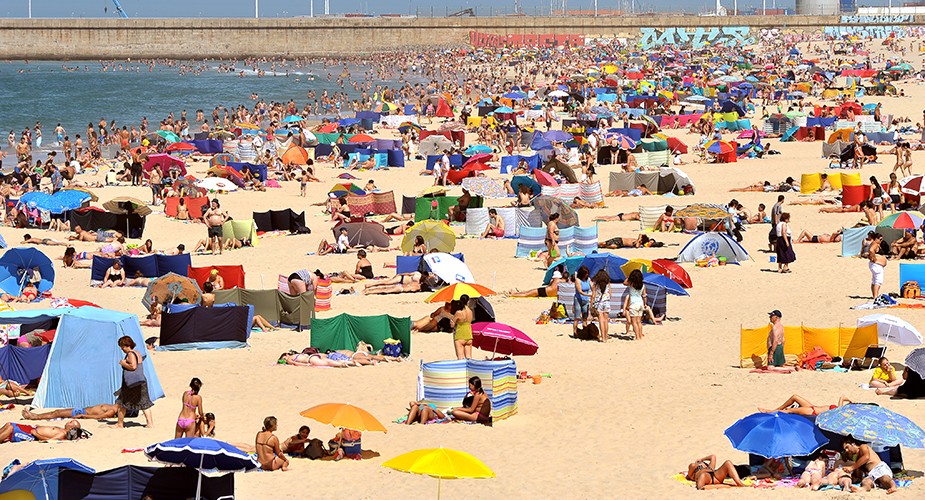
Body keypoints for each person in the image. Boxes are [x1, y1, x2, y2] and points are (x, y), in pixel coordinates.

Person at [114, 335, 154, 428]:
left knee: (123, 403)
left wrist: (123, 363)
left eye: (122, 346)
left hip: (132, 384)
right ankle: (150, 423)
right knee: (144, 403)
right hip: (140, 381)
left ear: (126, 345)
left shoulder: (131, 354)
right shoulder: (137, 353)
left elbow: (133, 366)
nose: (122, 349)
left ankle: (120, 424)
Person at [758, 394, 854, 416]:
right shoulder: (841, 408)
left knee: (789, 411)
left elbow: (842, 397)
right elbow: (843, 397)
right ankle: (776, 409)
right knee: (794, 397)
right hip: (812, 407)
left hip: (813, 412)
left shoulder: (841, 411)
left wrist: (849, 400)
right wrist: (850, 400)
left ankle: (770, 412)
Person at [0, 420, 82, 444]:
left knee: (11, 428)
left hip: (31, 434)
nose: (68, 422)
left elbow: (49, 440)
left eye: (71, 422)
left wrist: (36, 434)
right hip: (33, 428)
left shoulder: (62, 434)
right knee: (9, 424)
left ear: (71, 428)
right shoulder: (62, 430)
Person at [22, 404, 117, 421]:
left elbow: (99, 417)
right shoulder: (113, 406)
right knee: (57, 411)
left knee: (57, 413)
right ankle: (35, 415)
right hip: (82, 409)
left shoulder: (112, 411)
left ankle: (35, 416)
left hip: (82, 412)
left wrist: (82, 415)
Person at [623, 269, 645, 340]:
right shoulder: (643, 285)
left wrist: (628, 276)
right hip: (640, 303)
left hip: (634, 303)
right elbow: (644, 295)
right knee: (639, 322)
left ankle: (637, 336)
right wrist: (645, 303)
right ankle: (640, 336)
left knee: (634, 322)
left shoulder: (631, 284)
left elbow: (624, 282)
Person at [590, 269, 611, 343]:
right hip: (607, 302)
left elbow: (593, 295)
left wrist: (591, 304)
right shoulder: (607, 283)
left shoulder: (595, 284)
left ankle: (603, 338)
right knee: (606, 320)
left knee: (601, 321)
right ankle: (606, 336)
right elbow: (610, 294)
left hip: (599, 303)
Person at [450, 294, 473, 360]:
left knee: (460, 357)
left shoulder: (459, 313)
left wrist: (452, 321)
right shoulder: (470, 312)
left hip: (460, 335)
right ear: (468, 301)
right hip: (469, 335)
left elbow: (452, 325)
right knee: (469, 357)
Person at [572, 266, 592, 337]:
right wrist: (589, 295)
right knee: (577, 317)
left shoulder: (588, 279)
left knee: (585, 317)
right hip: (578, 299)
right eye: (585, 273)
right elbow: (580, 291)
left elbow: (592, 287)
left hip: (585, 300)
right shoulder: (577, 280)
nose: (586, 275)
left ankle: (585, 331)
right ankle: (575, 332)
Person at [869, 233, 887, 298]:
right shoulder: (875, 244)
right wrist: (874, 259)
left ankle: (874, 295)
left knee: (874, 280)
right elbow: (871, 250)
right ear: (876, 238)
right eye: (880, 239)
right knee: (878, 280)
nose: (881, 241)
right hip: (876, 265)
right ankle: (875, 296)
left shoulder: (874, 244)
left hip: (875, 265)